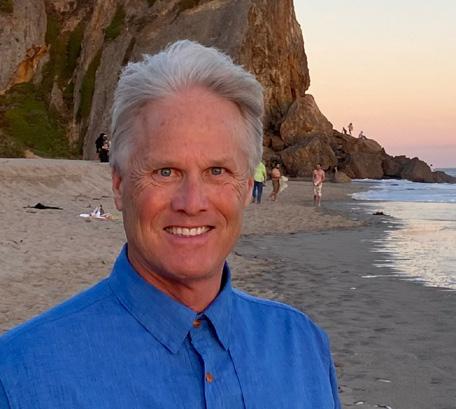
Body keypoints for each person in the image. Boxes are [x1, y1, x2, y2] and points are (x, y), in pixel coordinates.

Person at [0, 40, 341, 408]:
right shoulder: (20, 376)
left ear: (245, 188)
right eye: (165, 171)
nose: (191, 203)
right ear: (119, 186)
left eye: (216, 171)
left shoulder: (302, 348)